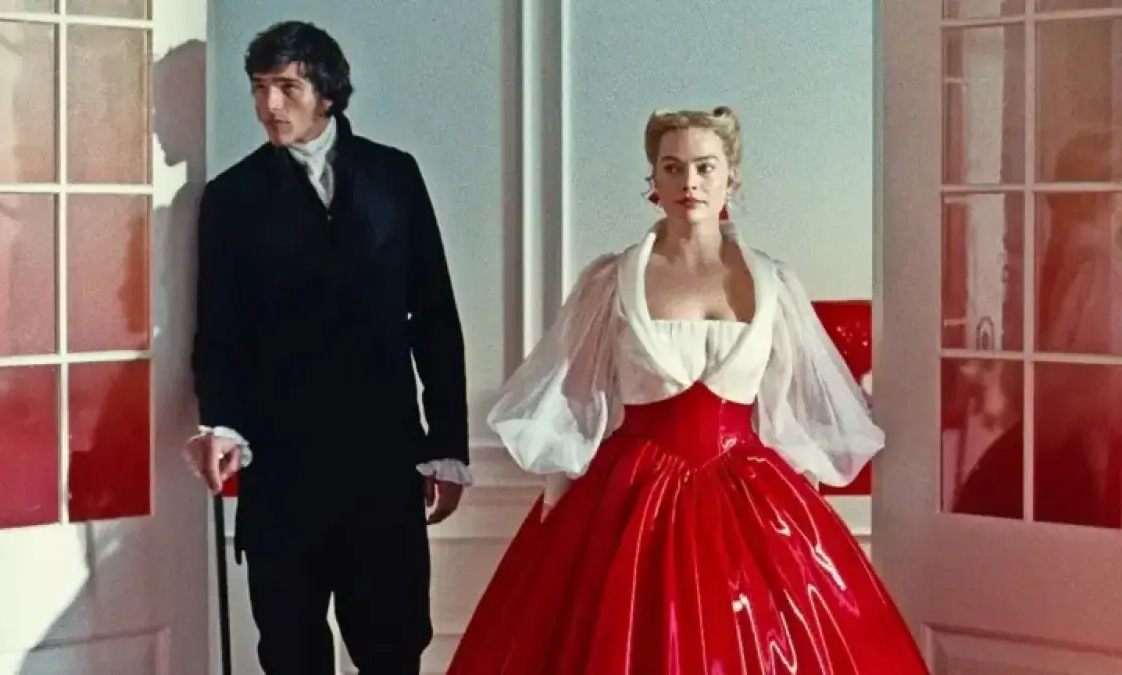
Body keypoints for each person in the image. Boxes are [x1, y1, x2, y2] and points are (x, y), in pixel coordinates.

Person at [446, 107, 928, 674]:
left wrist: (805, 517)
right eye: (672, 167)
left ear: (732, 176)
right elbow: (575, 393)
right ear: (653, 179)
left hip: (749, 490)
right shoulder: (611, 281)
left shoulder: (775, 283)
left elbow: (794, 403)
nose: (689, 183)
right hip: (630, 495)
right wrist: (558, 507)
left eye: (704, 167)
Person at [183, 21, 472, 675]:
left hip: (383, 461)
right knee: (290, 651)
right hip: (281, 469)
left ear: (328, 93)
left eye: (287, 87)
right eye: (259, 88)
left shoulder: (395, 176)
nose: (269, 105)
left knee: (392, 645)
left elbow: (434, 316)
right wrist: (221, 421)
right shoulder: (231, 197)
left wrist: (448, 446)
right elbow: (219, 328)